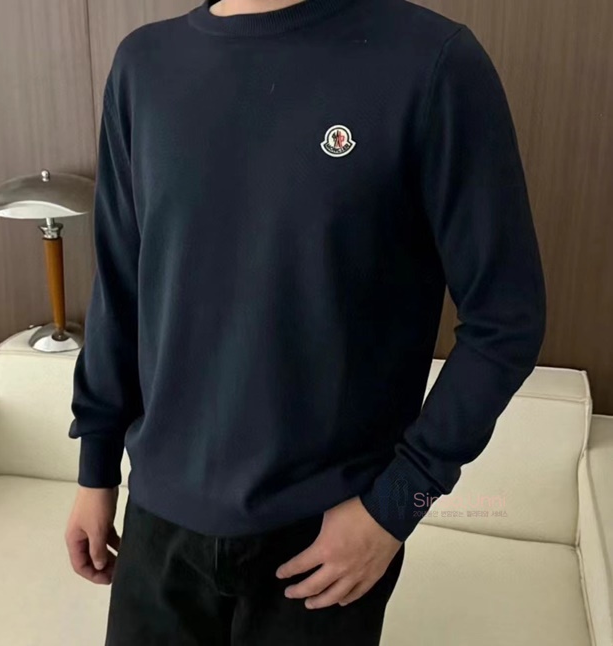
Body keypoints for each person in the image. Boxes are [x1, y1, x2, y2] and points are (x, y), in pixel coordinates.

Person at [64, 0, 547, 643]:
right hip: (157, 526)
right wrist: (95, 467)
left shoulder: (432, 62)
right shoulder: (144, 66)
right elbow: (120, 286)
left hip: (324, 541)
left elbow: (505, 319)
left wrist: (396, 504)